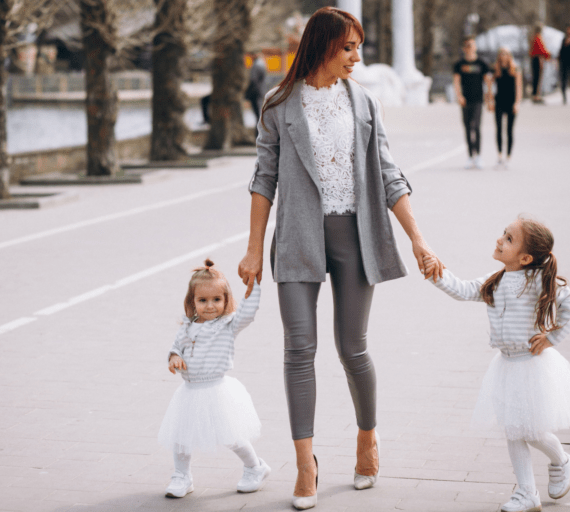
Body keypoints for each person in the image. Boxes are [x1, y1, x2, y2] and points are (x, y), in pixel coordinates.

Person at [238, 6, 444, 510]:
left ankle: (367, 438)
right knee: (298, 348)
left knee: (352, 348)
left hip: (356, 234)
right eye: (349, 47)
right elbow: (265, 179)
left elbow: (390, 175)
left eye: (359, 48)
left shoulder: (364, 102)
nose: (357, 57)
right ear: (323, 46)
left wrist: (418, 238)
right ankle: (305, 464)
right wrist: (250, 249)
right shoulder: (278, 103)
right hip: (297, 238)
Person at [422, 217, 570, 512]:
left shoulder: (537, 281)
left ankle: (561, 460)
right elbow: (462, 289)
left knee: (531, 431)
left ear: (525, 258)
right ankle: (527, 493)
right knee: (515, 430)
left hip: (532, 366)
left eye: (509, 239)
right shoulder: (494, 281)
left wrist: (553, 337)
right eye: (503, 234)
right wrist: (437, 274)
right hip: (507, 366)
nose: (500, 239)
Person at [158, 260, 270, 498]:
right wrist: (174, 358)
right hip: (189, 391)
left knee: (232, 435)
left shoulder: (228, 325)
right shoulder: (188, 325)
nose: (210, 306)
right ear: (192, 302)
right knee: (181, 437)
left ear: (226, 300)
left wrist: (254, 284)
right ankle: (182, 476)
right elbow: (176, 347)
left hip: (217, 390)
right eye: (203, 300)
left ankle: (255, 467)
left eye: (217, 300)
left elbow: (248, 313)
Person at [453, 36, 491, 169]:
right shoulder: (460, 64)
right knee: (468, 127)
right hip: (465, 100)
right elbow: (456, 81)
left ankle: (478, 155)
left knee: (477, 126)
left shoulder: (481, 63)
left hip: (478, 100)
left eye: (472, 45)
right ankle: (470, 156)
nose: (470, 48)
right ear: (464, 48)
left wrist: (489, 98)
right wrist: (459, 96)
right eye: (467, 45)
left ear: (475, 47)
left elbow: (488, 81)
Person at [487, 47, 522, 168]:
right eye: (502, 54)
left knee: (509, 130)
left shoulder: (515, 69)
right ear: (499, 56)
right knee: (499, 129)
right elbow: (489, 86)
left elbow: (518, 87)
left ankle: (508, 157)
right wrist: (490, 101)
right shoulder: (495, 69)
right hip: (499, 102)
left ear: (510, 55)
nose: (504, 56)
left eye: (507, 54)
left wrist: (517, 103)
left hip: (511, 102)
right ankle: (500, 156)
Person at [245, 52, 268, 137]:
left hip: (256, 93)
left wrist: (247, 93)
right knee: (259, 114)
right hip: (260, 92)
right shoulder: (262, 64)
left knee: (258, 114)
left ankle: (259, 134)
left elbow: (253, 80)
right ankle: (259, 134)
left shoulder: (256, 66)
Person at [529, 25, 551, 103]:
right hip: (537, 59)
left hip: (535, 59)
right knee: (537, 77)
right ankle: (536, 95)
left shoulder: (534, 37)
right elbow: (541, 49)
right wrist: (548, 54)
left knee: (536, 77)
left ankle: (536, 94)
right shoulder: (538, 37)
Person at [558, 25, 570, 105]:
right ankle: (564, 97)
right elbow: (561, 51)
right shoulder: (564, 40)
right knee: (564, 80)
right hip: (564, 62)